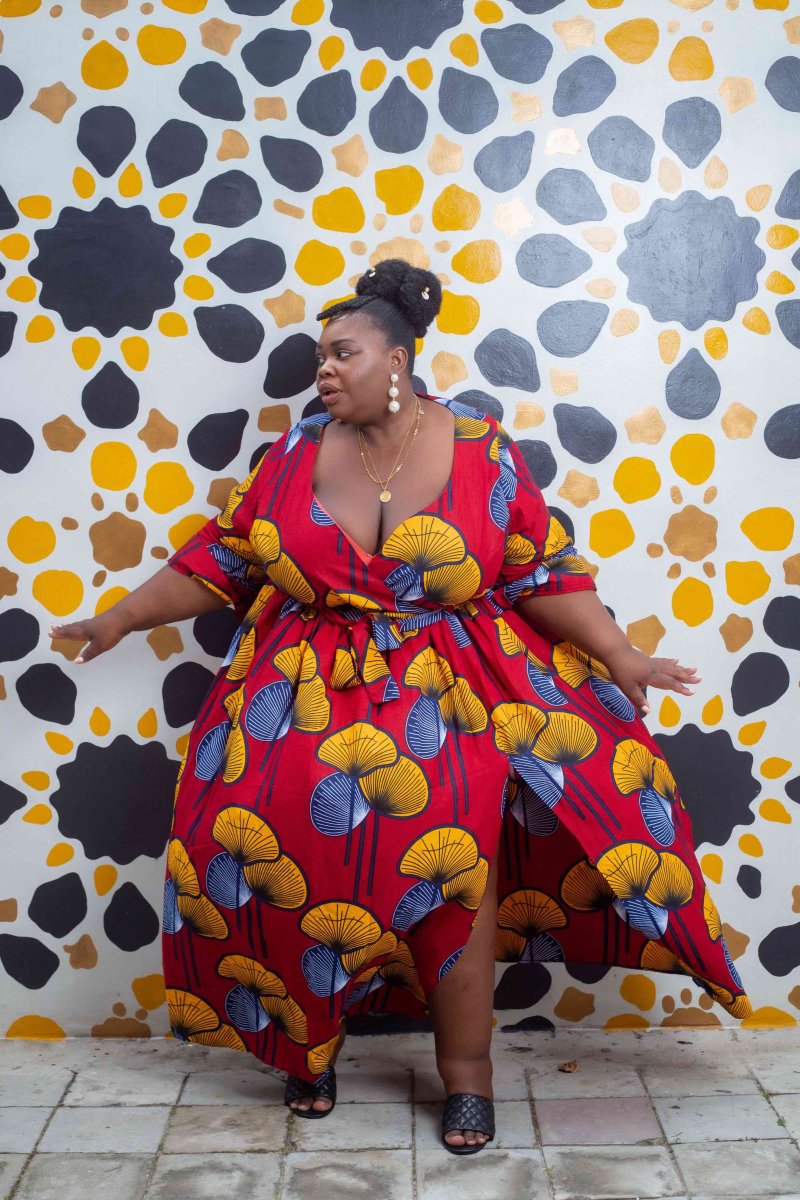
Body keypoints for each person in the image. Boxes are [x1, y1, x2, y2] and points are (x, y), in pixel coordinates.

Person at [48, 258, 752, 1156]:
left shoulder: (482, 449)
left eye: (342, 353)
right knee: (281, 847)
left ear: (398, 360)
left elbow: (541, 570)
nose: (324, 370)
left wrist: (622, 655)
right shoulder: (294, 453)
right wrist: (118, 618)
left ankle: (468, 1077)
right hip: (297, 695)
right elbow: (225, 557)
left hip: (450, 696)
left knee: (458, 872)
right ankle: (306, 1050)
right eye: (320, 357)